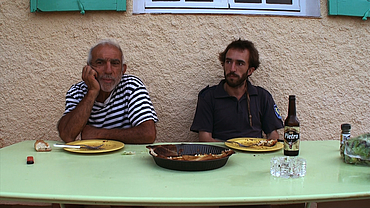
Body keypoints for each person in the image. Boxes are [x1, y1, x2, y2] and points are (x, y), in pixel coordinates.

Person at [58, 39, 158, 144]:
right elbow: (67, 135)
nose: (108, 70)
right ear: (89, 67)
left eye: (115, 63)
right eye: (100, 63)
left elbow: (148, 134)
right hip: (90, 157)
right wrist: (92, 92)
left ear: (123, 69)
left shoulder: (131, 86)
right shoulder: (77, 91)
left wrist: (98, 134)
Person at [190, 39, 283, 142]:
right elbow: (205, 139)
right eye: (228, 62)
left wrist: (264, 147)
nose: (232, 69)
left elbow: (273, 134)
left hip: (255, 154)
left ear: (250, 70)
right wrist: (232, 149)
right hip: (222, 155)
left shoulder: (262, 96)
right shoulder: (208, 96)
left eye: (240, 63)